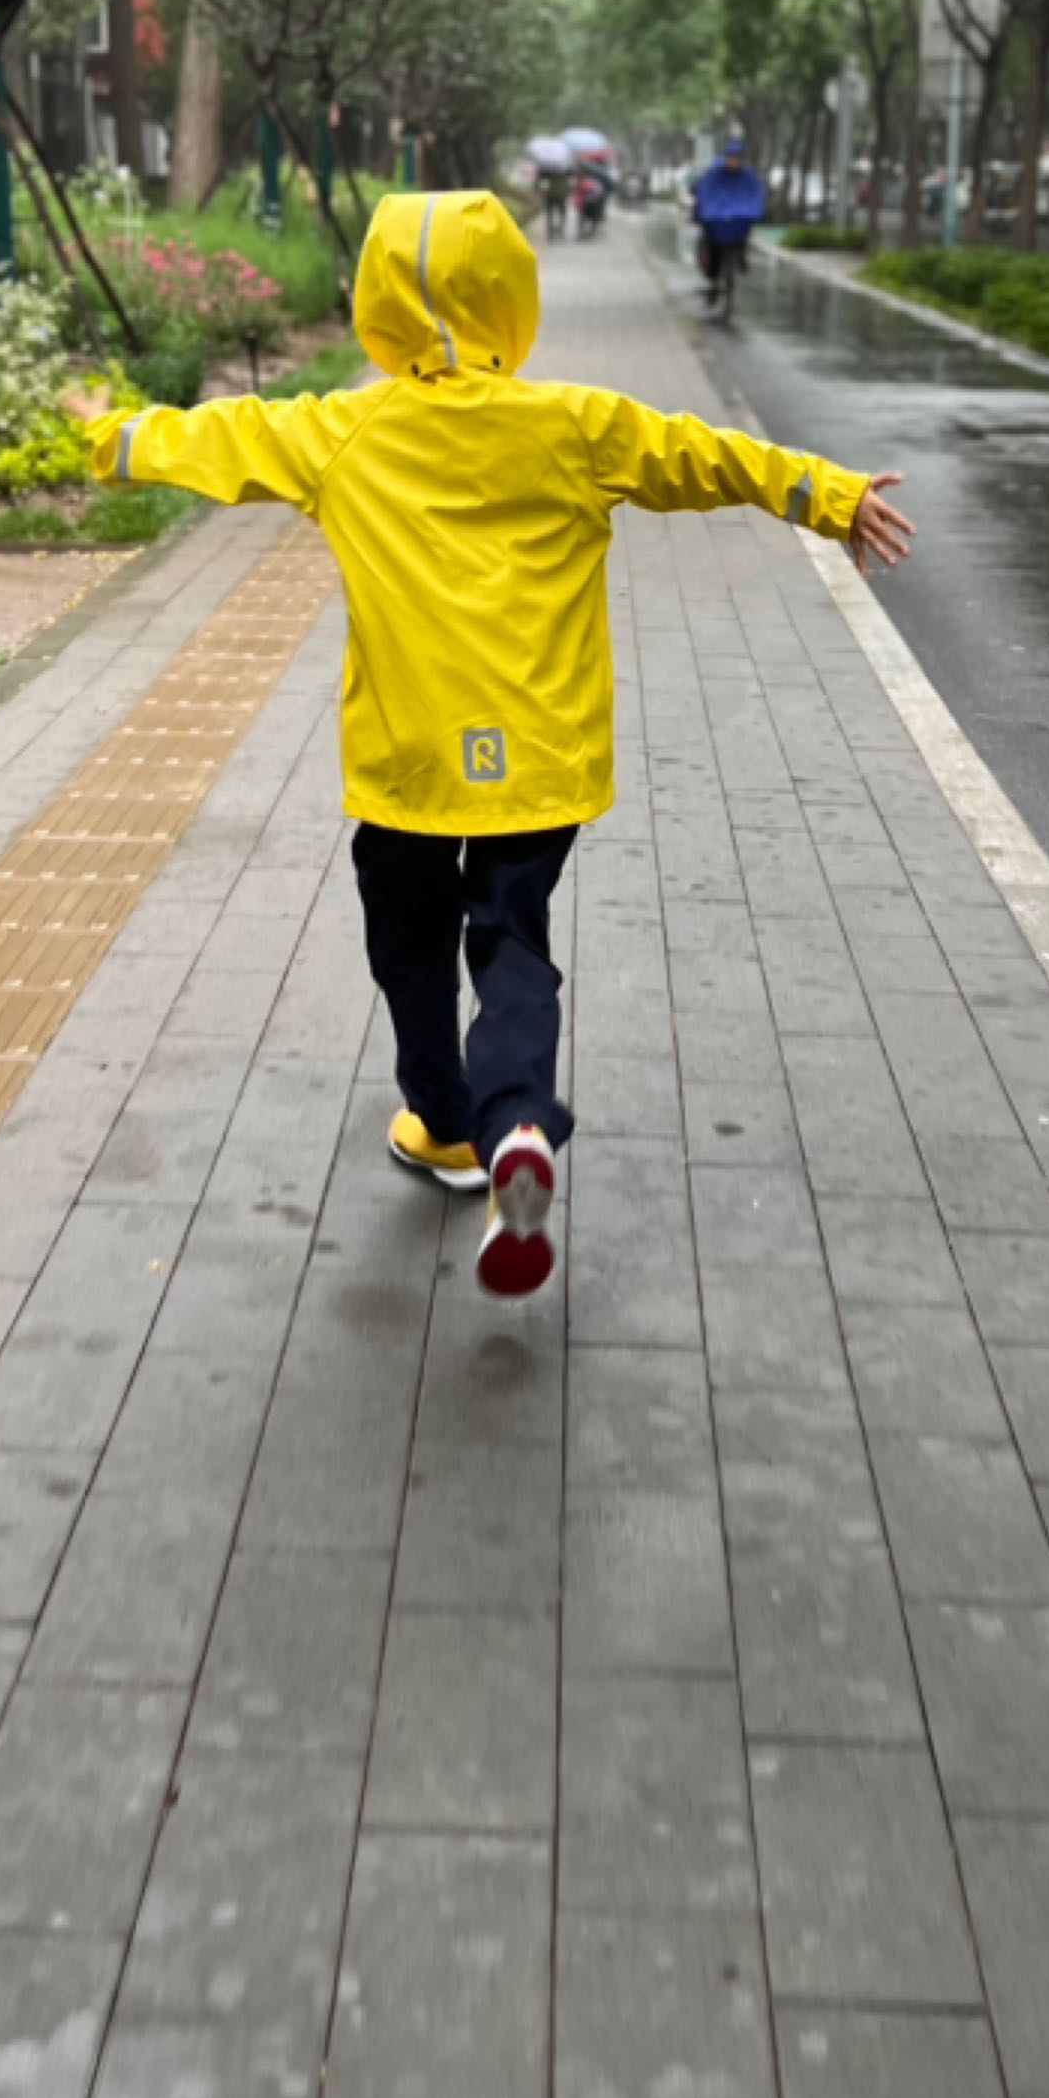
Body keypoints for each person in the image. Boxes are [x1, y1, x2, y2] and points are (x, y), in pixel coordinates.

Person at [80, 191, 912, 1298]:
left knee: (408, 943)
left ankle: (446, 1120)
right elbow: (709, 457)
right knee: (512, 941)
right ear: (514, 299)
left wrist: (103, 430)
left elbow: (204, 442)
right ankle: (520, 1120)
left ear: (375, 306)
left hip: (411, 763)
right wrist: (834, 495)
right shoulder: (575, 424)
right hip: (539, 760)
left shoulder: (338, 430)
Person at [690, 136, 767, 315]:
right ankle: (713, 282)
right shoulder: (714, 174)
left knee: (743, 233)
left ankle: (741, 255)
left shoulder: (748, 176)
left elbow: (755, 195)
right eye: (731, 157)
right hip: (715, 222)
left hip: (738, 224)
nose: (733, 161)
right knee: (711, 247)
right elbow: (705, 194)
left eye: (737, 158)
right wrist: (704, 212)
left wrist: (755, 211)